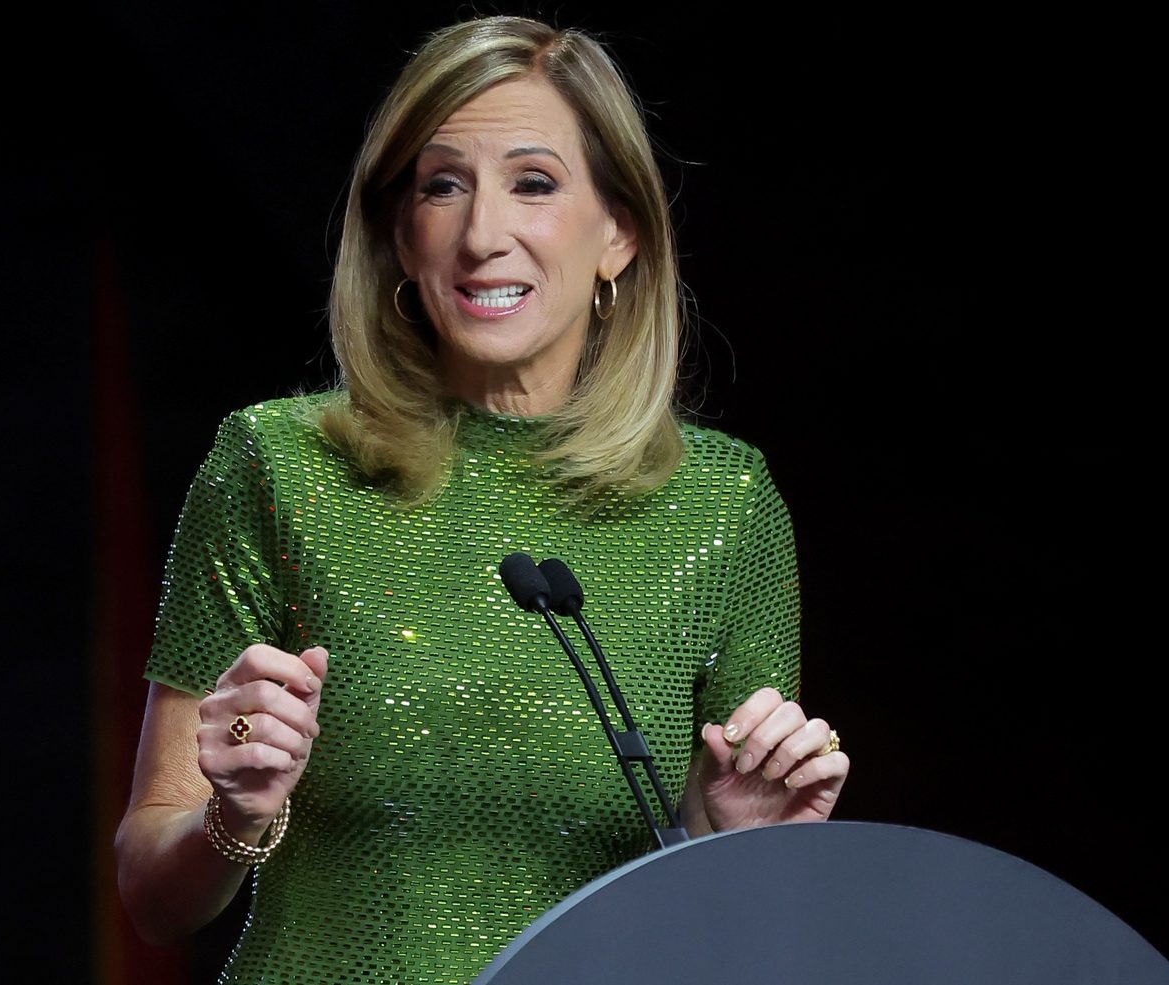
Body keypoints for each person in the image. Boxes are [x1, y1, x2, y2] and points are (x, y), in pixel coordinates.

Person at [115, 15, 850, 984]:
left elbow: (740, 928)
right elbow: (150, 895)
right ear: (400, 233)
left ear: (619, 234)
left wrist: (728, 845)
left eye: (534, 184)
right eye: (442, 186)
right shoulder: (275, 467)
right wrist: (234, 814)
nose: (482, 235)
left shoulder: (723, 506)